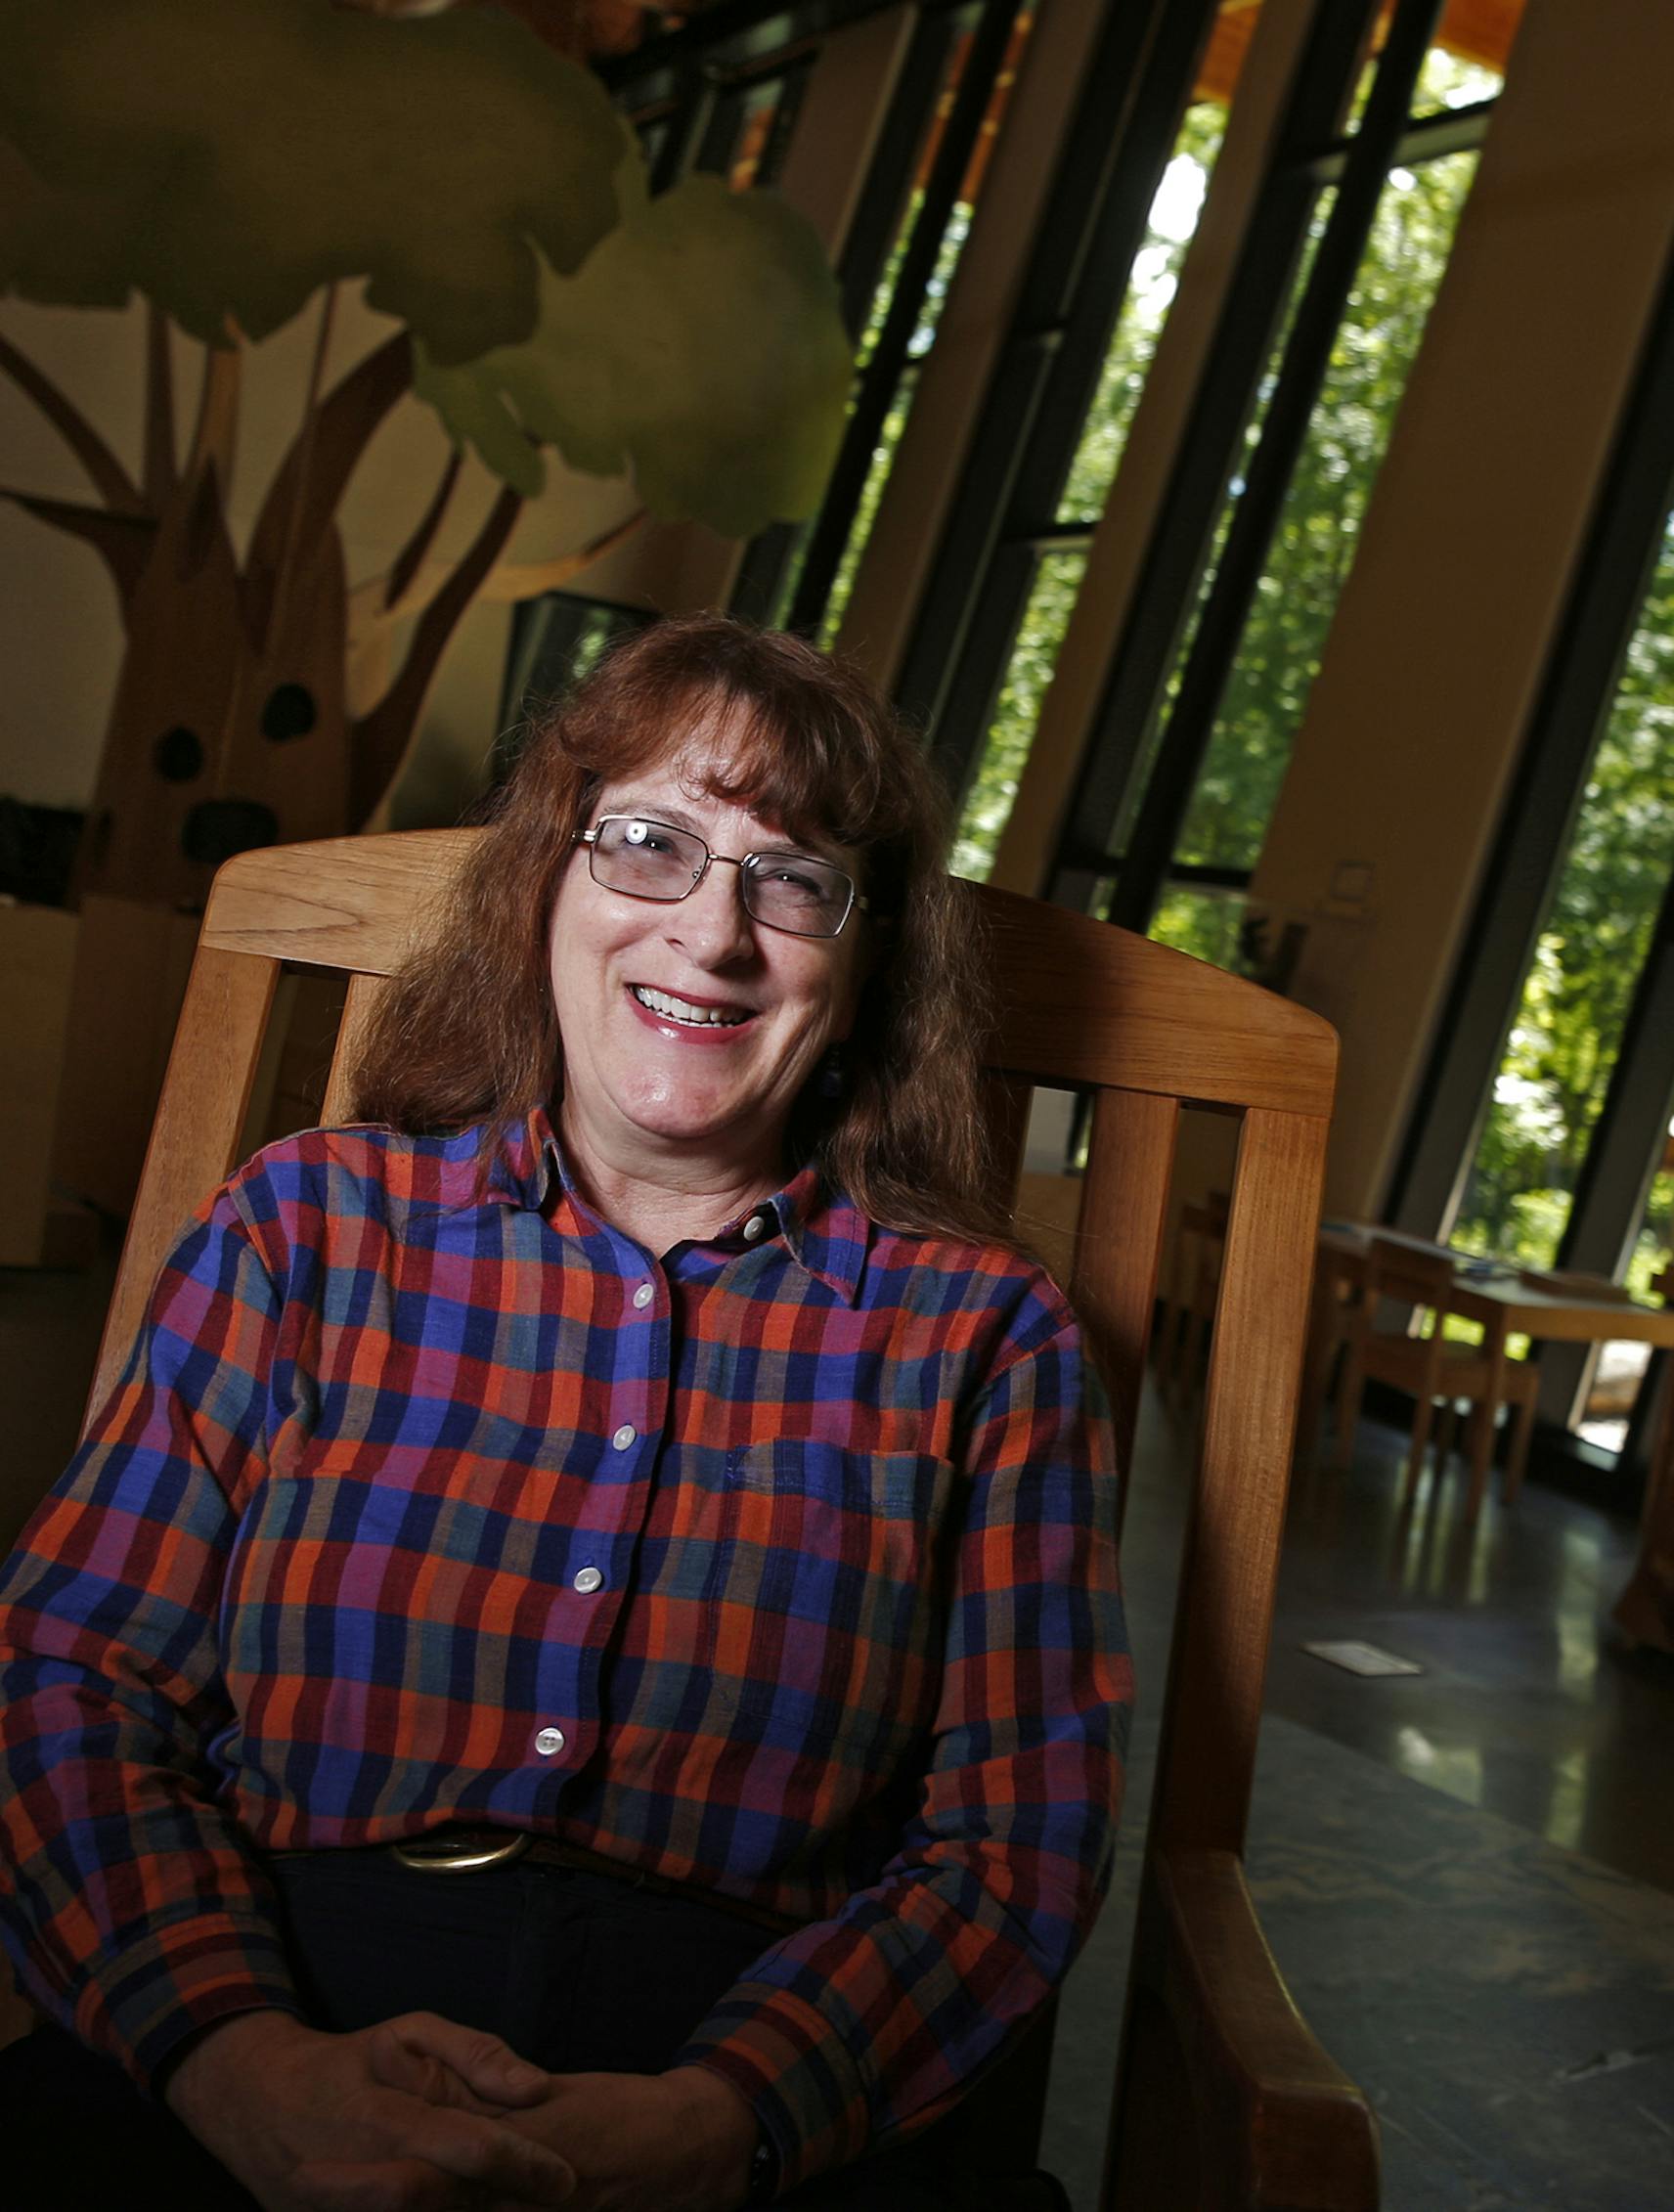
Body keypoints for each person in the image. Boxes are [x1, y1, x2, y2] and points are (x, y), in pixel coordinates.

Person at [0, 613, 1131, 2212]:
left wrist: (723, 2118)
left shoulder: (987, 1341)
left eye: (792, 879)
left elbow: (1021, 1843)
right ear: (550, 880)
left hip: (745, 2072)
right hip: (273, 1996)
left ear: (865, 962)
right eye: (651, 844)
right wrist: (238, 2061)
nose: (717, 932)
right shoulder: (307, 1226)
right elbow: (65, 1680)